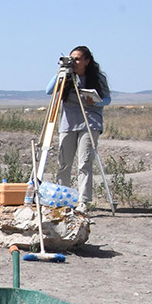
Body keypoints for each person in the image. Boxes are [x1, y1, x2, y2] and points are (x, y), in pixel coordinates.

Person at [50, 45, 111, 207]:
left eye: (77, 59)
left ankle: (83, 200)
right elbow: (49, 90)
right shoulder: (66, 77)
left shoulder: (97, 78)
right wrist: (61, 73)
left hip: (90, 122)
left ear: (87, 61)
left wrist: (96, 102)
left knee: (84, 163)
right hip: (68, 123)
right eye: (72, 59)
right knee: (64, 163)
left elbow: (107, 99)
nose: (74, 62)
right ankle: (62, 198)